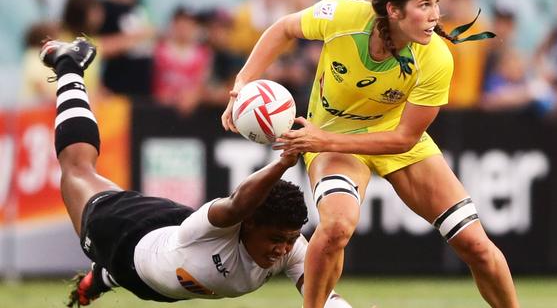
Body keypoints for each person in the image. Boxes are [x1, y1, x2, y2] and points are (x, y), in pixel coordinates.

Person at [221, 0, 518, 308]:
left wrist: (322, 141)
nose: (436, 15)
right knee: (335, 228)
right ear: (393, 10)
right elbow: (284, 28)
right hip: (333, 135)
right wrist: (241, 83)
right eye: (425, 4)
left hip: (385, 138)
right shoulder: (342, 16)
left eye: (437, 3)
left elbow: (404, 139)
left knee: (476, 245)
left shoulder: (436, 57)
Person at [38, 38, 351, 308]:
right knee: (78, 169)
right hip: (125, 236)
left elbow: (326, 297)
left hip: (173, 242)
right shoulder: (219, 222)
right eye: (276, 239)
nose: (283, 249)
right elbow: (239, 203)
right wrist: (283, 163)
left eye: (291, 238)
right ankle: (69, 65)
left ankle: (104, 277)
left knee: (168, 261)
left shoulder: (290, 246)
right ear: (250, 223)